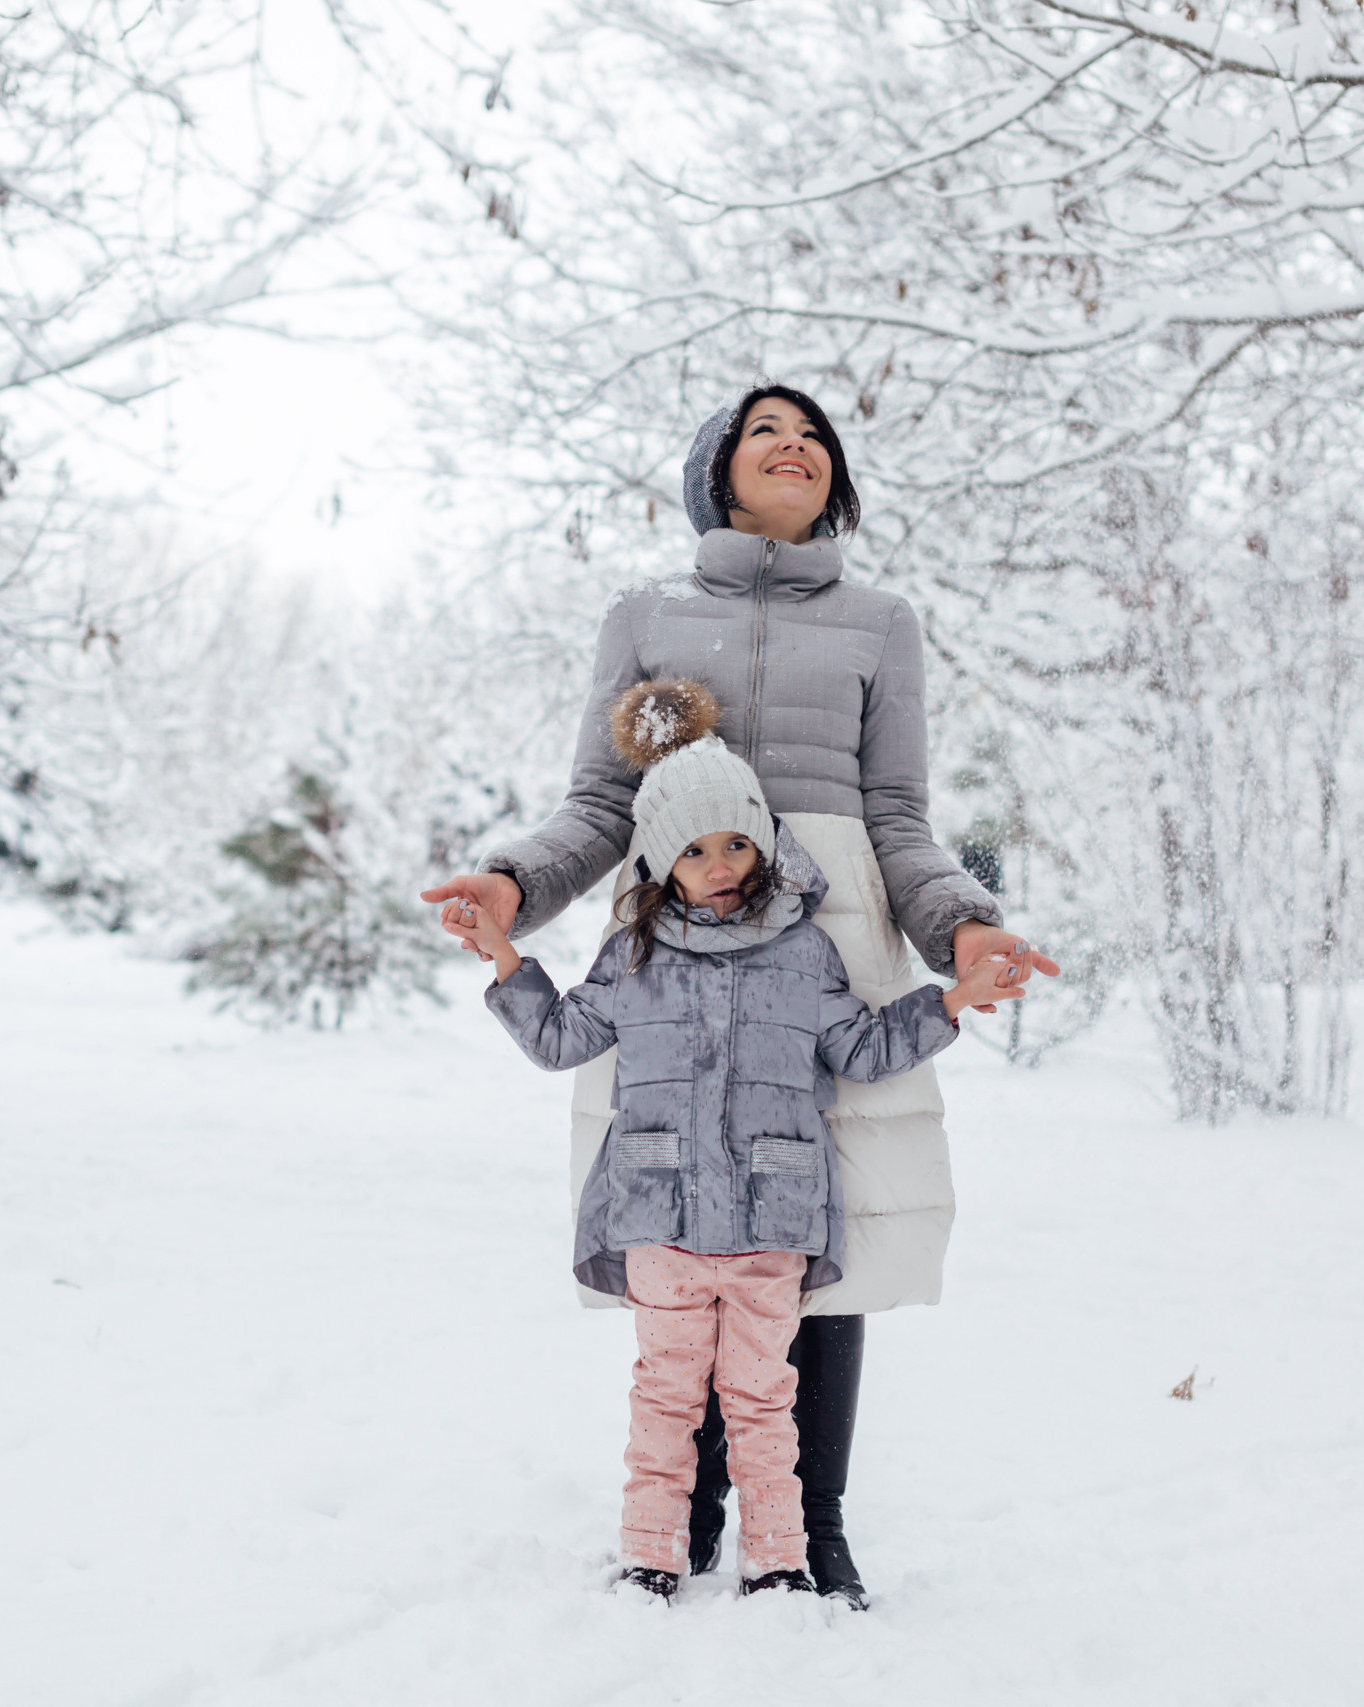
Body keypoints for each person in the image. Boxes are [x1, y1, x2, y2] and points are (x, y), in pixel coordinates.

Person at [424, 383, 1059, 1608]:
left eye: (814, 435)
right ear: (715, 470)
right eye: (764, 430)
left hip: (833, 942)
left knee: (826, 1233)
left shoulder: (880, 623)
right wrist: (514, 883)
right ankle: (693, 1509)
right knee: (685, 1212)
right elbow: (601, 809)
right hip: (667, 936)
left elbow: (899, 820)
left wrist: (962, 928)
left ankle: (810, 1521)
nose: (793, 446)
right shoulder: (647, 614)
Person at [447, 679, 1028, 1600]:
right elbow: (562, 1038)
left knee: (765, 1404)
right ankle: (653, 1552)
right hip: (661, 1218)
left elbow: (863, 1048)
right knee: (665, 1403)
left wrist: (951, 1000)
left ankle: (780, 1562)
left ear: (762, 843)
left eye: (736, 842)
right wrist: (509, 959)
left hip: (772, 1223)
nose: (718, 863)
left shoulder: (803, 951)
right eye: (694, 848)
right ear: (659, 861)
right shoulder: (635, 957)